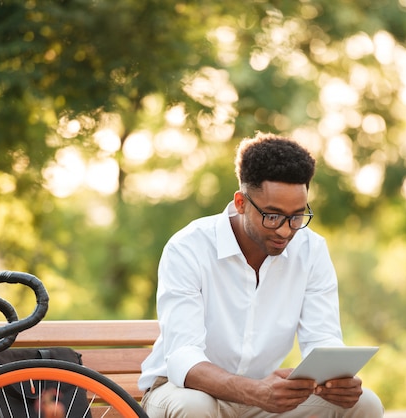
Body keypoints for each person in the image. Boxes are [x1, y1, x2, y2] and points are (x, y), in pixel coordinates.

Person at [138, 132, 384, 417]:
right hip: (180, 392)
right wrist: (255, 392)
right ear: (241, 203)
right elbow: (183, 356)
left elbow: (322, 339)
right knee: (196, 407)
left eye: (296, 216)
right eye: (272, 215)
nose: (285, 230)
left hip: (261, 399)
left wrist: (337, 381)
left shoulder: (312, 250)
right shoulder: (188, 247)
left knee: (364, 404)